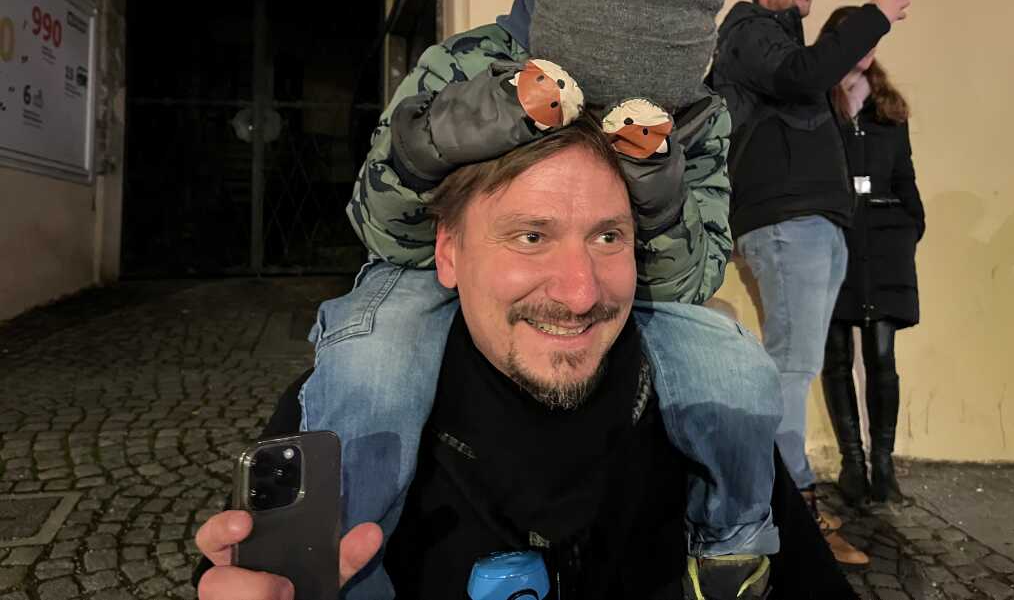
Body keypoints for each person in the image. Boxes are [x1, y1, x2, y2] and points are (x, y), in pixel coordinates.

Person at [301, 0, 783, 598]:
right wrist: (447, 137)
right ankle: (335, 561)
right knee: (371, 362)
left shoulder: (698, 117)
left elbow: (692, 278)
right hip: (429, 262)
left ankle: (731, 543)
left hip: (623, 277)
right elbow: (378, 226)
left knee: (735, 368)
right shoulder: (464, 64)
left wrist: (657, 191)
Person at [194, 119, 857, 599]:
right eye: (531, 236)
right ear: (448, 253)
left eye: (608, 236)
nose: (580, 292)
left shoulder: (711, 416)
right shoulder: (339, 415)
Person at [710, 0, 910, 563]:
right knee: (791, 370)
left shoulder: (786, 51)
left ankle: (783, 507)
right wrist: (873, 17)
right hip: (786, 222)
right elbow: (800, 75)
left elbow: (805, 88)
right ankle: (793, 511)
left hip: (815, 223)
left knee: (793, 365)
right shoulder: (748, 30)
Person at [818, 6, 925, 507]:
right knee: (836, 356)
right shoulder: (817, 103)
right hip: (834, 238)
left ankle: (884, 466)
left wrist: (910, 225)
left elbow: (905, 177)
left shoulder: (887, 108)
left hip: (884, 243)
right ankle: (852, 465)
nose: (867, 46)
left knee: (882, 356)